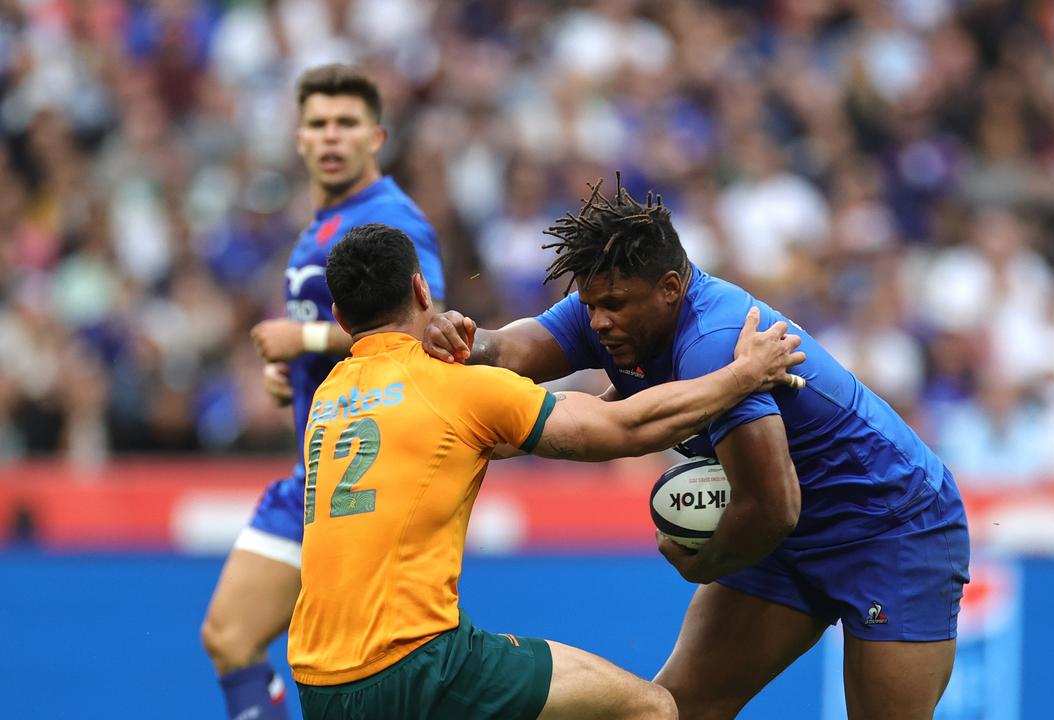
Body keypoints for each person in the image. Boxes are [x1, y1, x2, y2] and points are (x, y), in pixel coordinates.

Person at [425, 178, 971, 719]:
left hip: (893, 527)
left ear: (670, 287)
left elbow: (773, 506)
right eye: (589, 305)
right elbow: (513, 349)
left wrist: (703, 564)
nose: (598, 322)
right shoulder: (611, 309)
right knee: (677, 711)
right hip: (786, 530)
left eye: (612, 305)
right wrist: (464, 338)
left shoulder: (716, 341)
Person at [290, 222, 804, 719]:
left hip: (318, 681)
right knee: (650, 708)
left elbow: (457, 443)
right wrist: (743, 375)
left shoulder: (329, 399)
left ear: (339, 316)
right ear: (422, 290)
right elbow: (626, 429)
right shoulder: (451, 385)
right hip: (418, 661)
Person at [200, 64, 447, 720]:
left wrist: (303, 344)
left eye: (346, 124)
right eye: (318, 124)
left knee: (377, 675)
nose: (331, 136)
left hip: (368, 482)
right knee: (229, 635)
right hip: (319, 473)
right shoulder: (321, 227)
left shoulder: (393, 219)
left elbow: (430, 328)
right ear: (299, 137)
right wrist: (294, 375)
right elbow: (343, 332)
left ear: (377, 137)